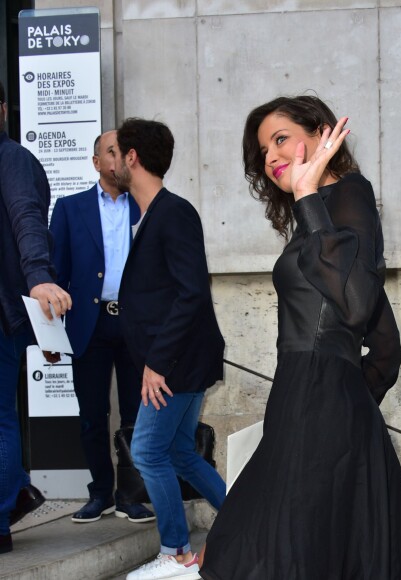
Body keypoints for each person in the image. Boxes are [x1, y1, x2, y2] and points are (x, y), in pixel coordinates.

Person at [199, 96, 401, 579]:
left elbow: (351, 301)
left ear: (322, 134)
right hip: (307, 396)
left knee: (285, 553)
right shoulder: (321, 215)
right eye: (262, 150)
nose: (269, 157)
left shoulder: (347, 194)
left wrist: (337, 402)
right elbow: (382, 336)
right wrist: (346, 410)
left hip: (315, 394)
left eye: (280, 138)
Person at [109, 118, 226, 580]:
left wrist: (156, 363)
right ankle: (242, 516)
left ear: (132, 157)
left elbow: (191, 292)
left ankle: (176, 552)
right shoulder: (153, 215)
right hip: (180, 359)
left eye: (113, 152)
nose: (108, 162)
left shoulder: (172, 212)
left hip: (175, 363)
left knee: (148, 452)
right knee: (179, 452)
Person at [49, 131, 155, 524]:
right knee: (92, 414)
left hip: (133, 325)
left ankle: (130, 496)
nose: (122, 158)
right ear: (97, 162)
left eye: (127, 152)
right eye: (113, 152)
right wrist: (51, 333)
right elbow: (55, 274)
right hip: (87, 325)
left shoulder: (148, 205)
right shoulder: (69, 208)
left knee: (135, 413)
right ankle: (100, 493)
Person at [0, 81, 72, 554]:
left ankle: (3, 513)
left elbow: (28, 219)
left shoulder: (11, 158)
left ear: (3, 110)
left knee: (1, 420)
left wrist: (37, 276)